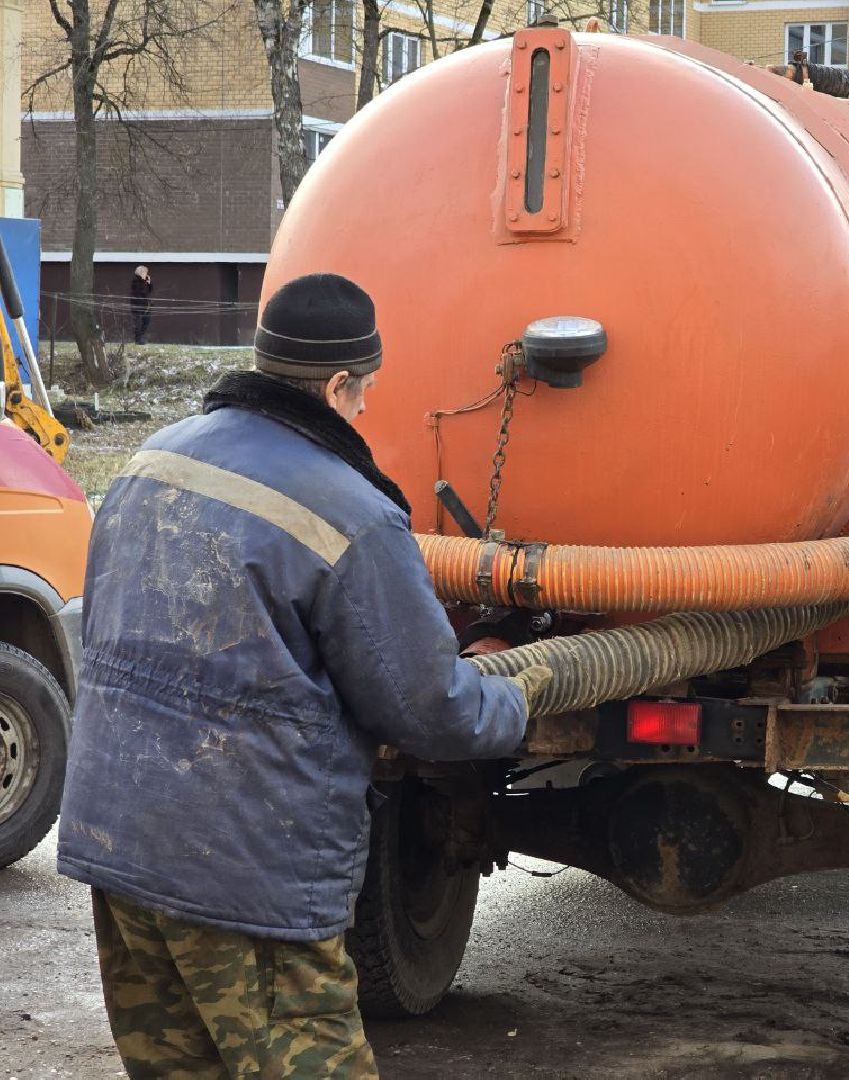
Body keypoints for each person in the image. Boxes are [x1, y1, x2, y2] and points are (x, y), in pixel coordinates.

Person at [56, 273, 551, 1077]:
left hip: (118, 844)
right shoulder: (349, 513)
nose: (364, 409)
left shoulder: (152, 464)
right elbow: (430, 708)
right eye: (365, 394)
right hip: (244, 874)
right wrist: (513, 695)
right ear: (336, 386)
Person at [130, 265, 153, 344]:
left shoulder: (144, 281)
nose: (146, 274)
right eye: (145, 272)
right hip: (137, 305)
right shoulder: (135, 281)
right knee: (138, 323)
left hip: (146, 305)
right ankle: (138, 339)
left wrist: (149, 283)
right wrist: (143, 281)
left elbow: (150, 291)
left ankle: (142, 337)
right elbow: (140, 291)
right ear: (141, 273)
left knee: (146, 321)